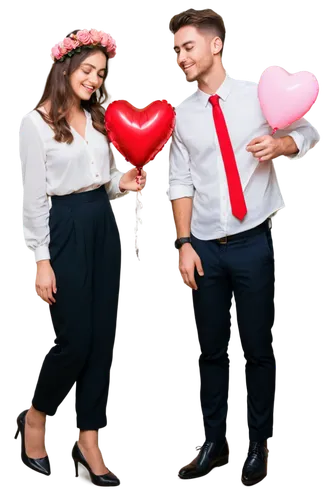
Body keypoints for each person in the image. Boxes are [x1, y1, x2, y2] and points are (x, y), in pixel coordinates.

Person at [166, 8, 321, 486]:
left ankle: (258, 444)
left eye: (187, 47)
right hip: (205, 248)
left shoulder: (260, 91)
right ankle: (214, 442)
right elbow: (180, 179)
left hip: (254, 242)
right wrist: (183, 243)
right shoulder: (182, 112)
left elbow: (310, 131)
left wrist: (283, 147)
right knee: (210, 348)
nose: (180, 59)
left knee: (256, 349)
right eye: (174, 52)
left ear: (216, 45)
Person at [16, 26, 148, 488]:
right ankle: (36, 416)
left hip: (100, 223)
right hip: (63, 226)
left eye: (101, 73)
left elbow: (101, 179)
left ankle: (89, 437)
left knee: (102, 337)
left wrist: (122, 186)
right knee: (73, 338)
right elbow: (32, 198)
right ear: (65, 66)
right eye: (87, 70)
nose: (94, 79)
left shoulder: (99, 121)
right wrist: (41, 259)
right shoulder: (34, 124)